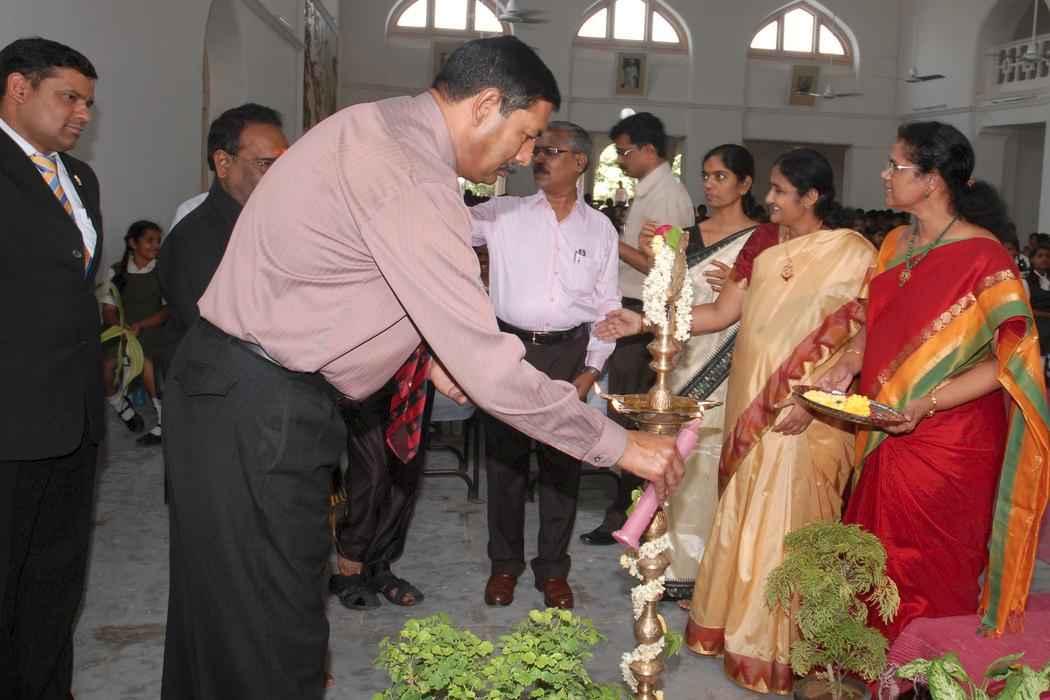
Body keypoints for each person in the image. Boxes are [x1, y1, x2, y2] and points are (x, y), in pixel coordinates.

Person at [161, 36, 683, 700]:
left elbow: (351, 274)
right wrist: (618, 445)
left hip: (228, 389)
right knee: (272, 637)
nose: (524, 156)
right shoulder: (412, 174)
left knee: (219, 620)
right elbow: (489, 366)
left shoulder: (374, 125)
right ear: (485, 105)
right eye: (525, 135)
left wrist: (429, 355)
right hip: (260, 407)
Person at [598, 148, 874, 694]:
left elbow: (864, 330)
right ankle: (742, 634)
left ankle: (792, 647)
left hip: (809, 410)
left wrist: (812, 397)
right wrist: (644, 322)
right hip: (752, 402)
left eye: (779, 190)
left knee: (793, 520)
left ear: (812, 196)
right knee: (748, 514)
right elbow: (721, 314)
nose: (768, 199)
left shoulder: (852, 252)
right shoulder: (763, 245)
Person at [819, 121, 1049, 643]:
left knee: (931, 565)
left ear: (932, 179)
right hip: (884, 424)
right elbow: (873, 320)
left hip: (951, 437)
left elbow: (1010, 361)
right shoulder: (893, 242)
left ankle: (926, 668)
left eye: (896, 166)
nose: (885, 174)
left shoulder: (985, 257)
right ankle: (869, 659)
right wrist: (850, 360)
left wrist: (927, 403)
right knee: (872, 552)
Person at [470, 121, 620, 609]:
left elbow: (607, 306)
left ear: (579, 162)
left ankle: (553, 570)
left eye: (552, 151)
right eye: (537, 149)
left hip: (568, 353)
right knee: (505, 466)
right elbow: (441, 221)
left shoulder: (600, 229)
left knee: (562, 466)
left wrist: (591, 370)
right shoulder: (502, 214)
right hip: (511, 350)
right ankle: (504, 566)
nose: (539, 158)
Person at [0, 37, 102, 700]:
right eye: (69, 97)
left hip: (74, 418)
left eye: (88, 103)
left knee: (55, 578)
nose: (83, 114)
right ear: (18, 88)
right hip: (9, 419)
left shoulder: (80, 178)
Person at [639, 144, 765, 601]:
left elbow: (777, 305)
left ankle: (710, 573)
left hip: (729, 364)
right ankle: (667, 563)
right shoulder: (684, 235)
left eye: (721, 176)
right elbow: (662, 295)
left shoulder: (761, 242)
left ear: (745, 184)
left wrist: (747, 285)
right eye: (706, 176)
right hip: (679, 361)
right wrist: (655, 254)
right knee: (674, 459)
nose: (710, 185)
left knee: (713, 460)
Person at [581, 111, 694, 546]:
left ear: (649, 150)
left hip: (647, 314)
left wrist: (612, 241)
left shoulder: (667, 196)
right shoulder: (650, 190)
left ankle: (628, 516)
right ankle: (631, 512)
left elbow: (663, 268)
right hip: (633, 308)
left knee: (633, 419)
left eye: (625, 152)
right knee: (625, 413)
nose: (621, 160)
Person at [158, 103, 287, 347]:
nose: (281, 175)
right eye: (266, 164)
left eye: (284, 163)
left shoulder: (282, 223)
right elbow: (216, 338)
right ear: (223, 163)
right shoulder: (191, 240)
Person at [100, 220, 171, 445]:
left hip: (152, 329)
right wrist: (121, 328)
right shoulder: (116, 271)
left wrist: (141, 325)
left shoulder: (162, 271)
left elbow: (167, 311)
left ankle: (163, 421)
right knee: (106, 366)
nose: (156, 246)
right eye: (150, 240)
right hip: (121, 331)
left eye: (158, 241)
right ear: (133, 243)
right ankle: (121, 406)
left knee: (146, 363)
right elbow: (108, 309)